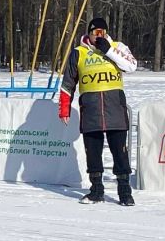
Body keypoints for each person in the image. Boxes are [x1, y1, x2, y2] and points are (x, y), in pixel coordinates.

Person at [58, 17, 137, 206]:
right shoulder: (79, 52)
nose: (97, 36)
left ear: (106, 33)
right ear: (89, 33)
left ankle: (125, 192)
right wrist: (64, 108)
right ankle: (96, 191)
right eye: (94, 33)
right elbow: (68, 83)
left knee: (120, 152)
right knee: (93, 152)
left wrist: (108, 50)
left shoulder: (117, 47)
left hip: (114, 109)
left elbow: (131, 66)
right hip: (91, 109)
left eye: (101, 32)